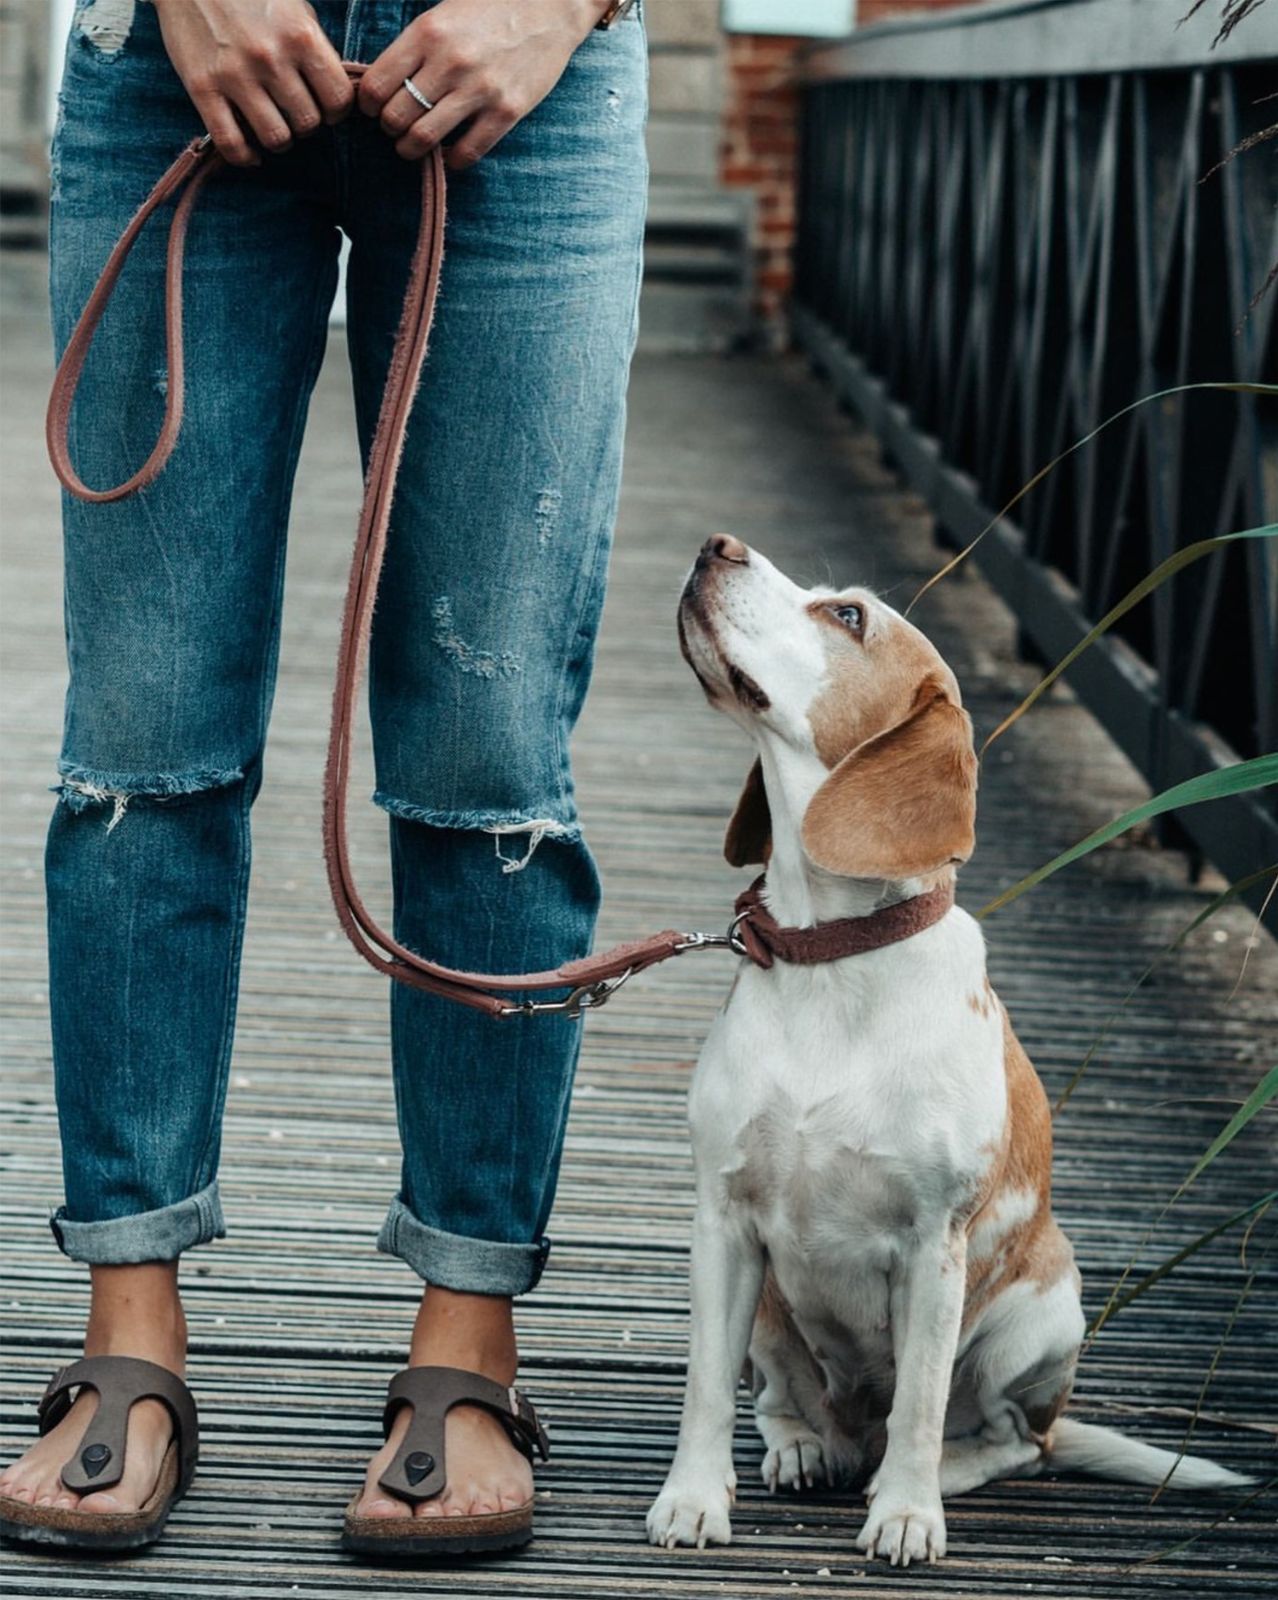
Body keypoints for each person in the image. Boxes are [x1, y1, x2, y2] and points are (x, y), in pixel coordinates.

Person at [0, 0, 646, 1558]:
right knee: (142, 741)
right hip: (177, 58)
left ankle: (467, 1336)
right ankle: (130, 1329)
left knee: (490, 747)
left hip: (526, 70)